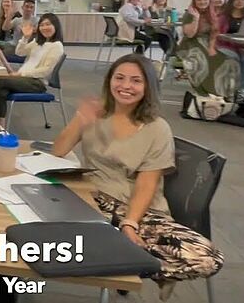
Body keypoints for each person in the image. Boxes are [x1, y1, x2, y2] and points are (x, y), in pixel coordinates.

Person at [52, 54, 222, 300]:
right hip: (89, 201)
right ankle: (137, 262)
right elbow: (58, 151)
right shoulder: (98, 113)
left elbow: (147, 183)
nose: (125, 86)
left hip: (138, 209)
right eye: (119, 78)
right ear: (109, 81)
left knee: (208, 258)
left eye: (135, 81)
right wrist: (81, 119)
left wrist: (130, 224)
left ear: (148, 87)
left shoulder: (156, 128)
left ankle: (130, 264)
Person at [0, 13, 65, 127]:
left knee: (2, 80)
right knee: (1, 92)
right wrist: (25, 37)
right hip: (25, 79)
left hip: (37, 83)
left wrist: (21, 74)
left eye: (48, 24)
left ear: (56, 26)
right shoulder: (38, 42)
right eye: (42, 25)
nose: (45, 28)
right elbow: (19, 52)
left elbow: (45, 71)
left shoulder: (57, 46)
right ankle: (0, 126)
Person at [176, 0, 240, 98]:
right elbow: (190, 34)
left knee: (229, 61)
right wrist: (196, 18)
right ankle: (204, 93)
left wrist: (211, 47)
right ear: (194, 1)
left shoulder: (212, 13)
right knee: (202, 61)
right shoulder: (189, 14)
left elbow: (214, 33)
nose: (202, 2)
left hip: (208, 42)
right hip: (190, 44)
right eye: (199, 0)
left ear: (209, 0)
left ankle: (223, 93)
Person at [216, 0, 244, 89]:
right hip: (224, 46)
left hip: (242, 47)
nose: (240, 1)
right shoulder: (223, 17)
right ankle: (227, 87)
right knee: (233, 57)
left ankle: (241, 89)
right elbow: (217, 36)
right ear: (232, 1)